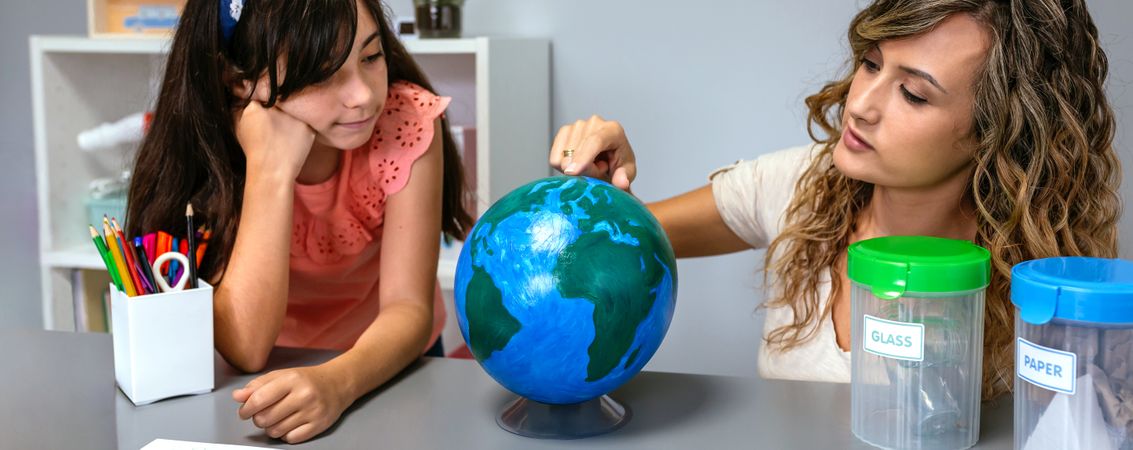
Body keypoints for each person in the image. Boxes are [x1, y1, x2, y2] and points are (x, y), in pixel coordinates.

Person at [549, 0, 1120, 401]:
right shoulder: (796, 185)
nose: (861, 104)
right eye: (870, 64)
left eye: (914, 95)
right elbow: (615, 243)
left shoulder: (1043, 288)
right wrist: (600, 187)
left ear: (998, 133)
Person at [125, 0, 472, 442]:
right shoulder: (210, 150)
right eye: (323, 74)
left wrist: (336, 382)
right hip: (259, 381)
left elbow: (409, 309)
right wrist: (271, 171)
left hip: (387, 364)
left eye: (370, 56)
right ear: (240, 79)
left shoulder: (403, 121)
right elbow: (247, 348)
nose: (363, 95)